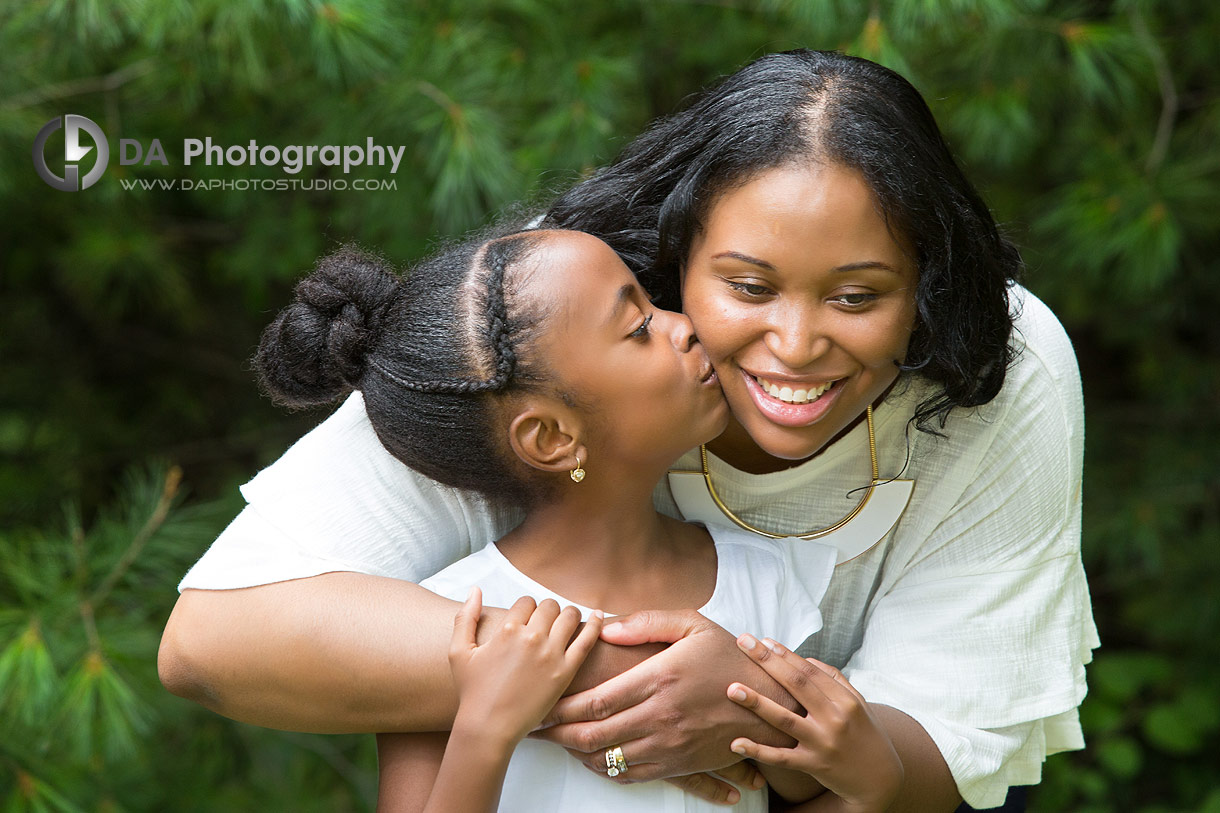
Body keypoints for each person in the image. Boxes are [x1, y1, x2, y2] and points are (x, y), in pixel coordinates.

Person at [159, 49, 1097, 811]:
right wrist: (626, 683)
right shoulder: (535, 323)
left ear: (928, 285)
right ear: (672, 256)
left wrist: (754, 711)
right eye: (747, 286)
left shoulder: (1004, 369)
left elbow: (936, 747)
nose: (797, 344)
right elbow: (218, 637)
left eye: (859, 295)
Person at [252, 229, 846, 811]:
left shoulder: (762, 574)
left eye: (652, 302)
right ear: (552, 437)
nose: (683, 325)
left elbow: (811, 786)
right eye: (639, 329)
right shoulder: (455, 623)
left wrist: (766, 719)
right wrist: (487, 726)